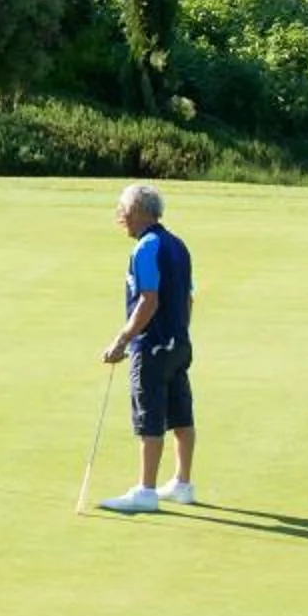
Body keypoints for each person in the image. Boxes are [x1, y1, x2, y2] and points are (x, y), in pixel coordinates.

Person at [97, 182, 197, 513]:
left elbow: (148, 300)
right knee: (181, 413)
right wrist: (178, 333)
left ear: (138, 211)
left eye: (124, 209)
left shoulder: (146, 247)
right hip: (178, 344)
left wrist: (121, 341)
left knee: (149, 417)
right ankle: (182, 484)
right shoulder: (178, 244)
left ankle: (146, 491)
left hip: (152, 346)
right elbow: (188, 298)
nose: (120, 216)